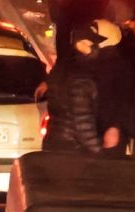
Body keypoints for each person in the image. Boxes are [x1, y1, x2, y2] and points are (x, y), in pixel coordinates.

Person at [42, 24, 105, 154]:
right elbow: (82, 120)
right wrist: (97, 150)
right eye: (92, 44)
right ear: (80, 45)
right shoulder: (81, 76)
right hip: (72, 149)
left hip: (54, 141)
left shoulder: (62, 68)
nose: (96, 49)